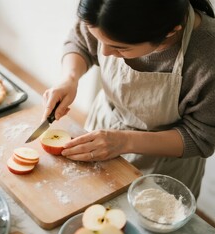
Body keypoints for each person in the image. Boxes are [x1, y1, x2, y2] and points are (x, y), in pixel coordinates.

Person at [42, 0, 215, 198]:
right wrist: (69, 78)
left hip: (162, 165)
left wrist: (124, 141)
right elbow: (80, 41)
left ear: (170, 31)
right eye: (100, 40)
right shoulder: (108, 12)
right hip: (102, 127)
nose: (104, 52)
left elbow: (201, 137)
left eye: (120, 48)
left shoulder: (209, 57)